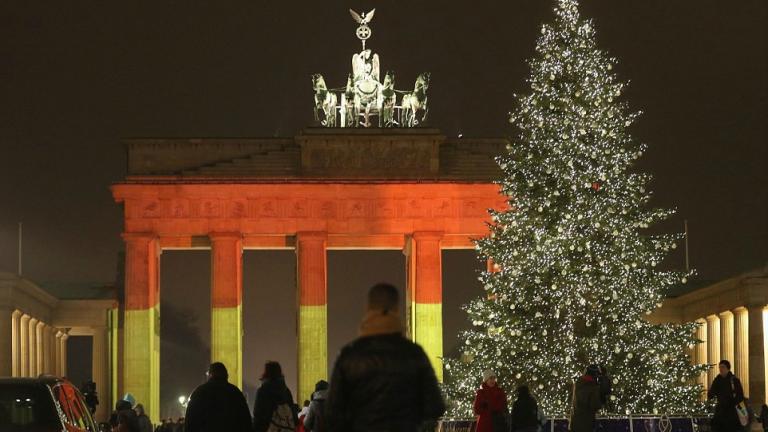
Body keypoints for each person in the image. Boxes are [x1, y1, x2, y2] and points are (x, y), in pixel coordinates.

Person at [325, 283, 446, 432]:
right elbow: (435, 407)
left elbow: (332, 413)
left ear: (368, 309)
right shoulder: (414, 353)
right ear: (396, 309)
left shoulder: (349, 355)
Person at [183, 362, 252, 432]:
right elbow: (246, 421)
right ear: (226, 375)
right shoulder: (236, 393)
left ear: (210, 375)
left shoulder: (199, 392)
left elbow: (190, 422)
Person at [252, 361, 298, 432]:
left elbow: (258, 415)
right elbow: (293, 413)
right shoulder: (286, 391)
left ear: (266, 373)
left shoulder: (262, 391)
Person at [708, 360, 745, 432]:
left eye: (723, 367)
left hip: (732, 412)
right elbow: (711, 394)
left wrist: (733, 403)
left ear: (728, 368)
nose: (721, 369)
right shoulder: (717, 380)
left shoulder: (734, 380)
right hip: (720, 412)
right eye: (720, 367)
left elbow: (740, 396)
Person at [569, 365, 602, 432]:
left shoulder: (578, 383)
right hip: (587, 422)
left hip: (575, 421)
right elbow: (595, 404)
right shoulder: (593, 387)